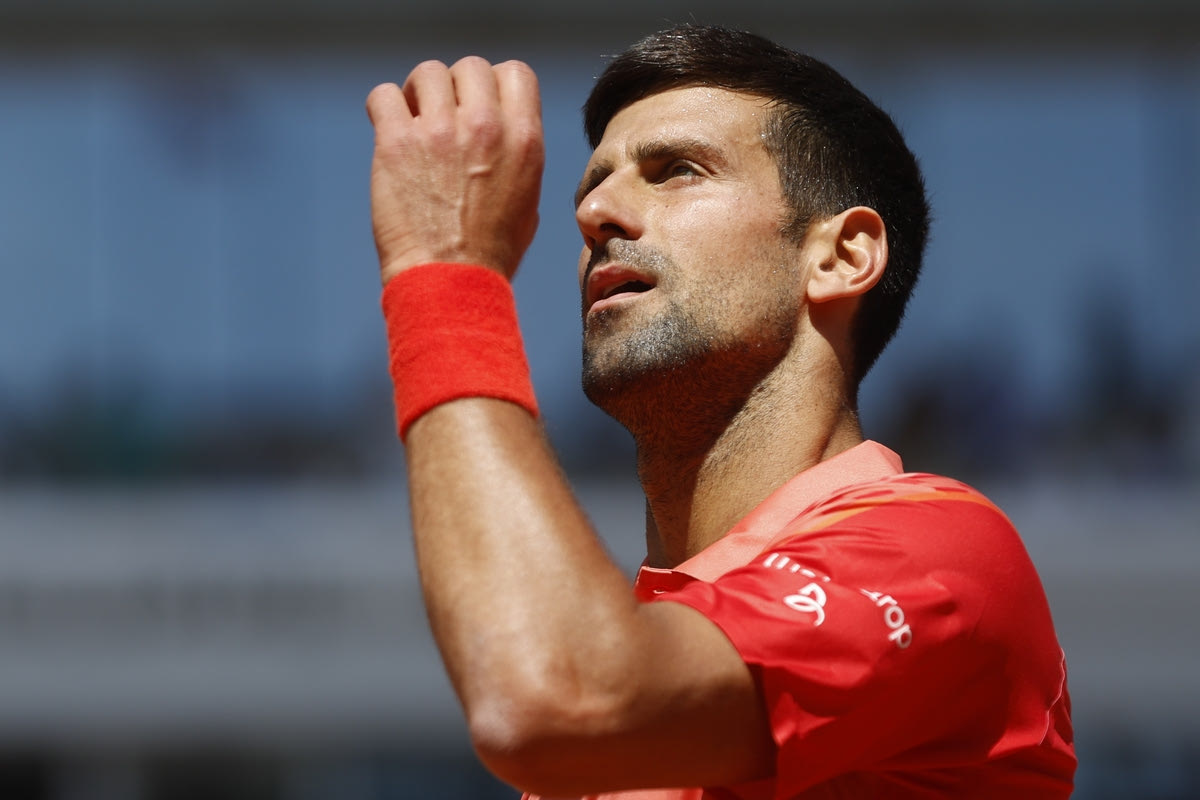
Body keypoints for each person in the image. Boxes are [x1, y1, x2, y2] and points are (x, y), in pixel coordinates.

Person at [365, 24, 1076, 800]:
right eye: (591, 188)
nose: (594, 212)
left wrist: (446, 274)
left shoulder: (941, 555)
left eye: (676, 171)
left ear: (842, 256)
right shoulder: (628, 664)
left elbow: (556, 701)